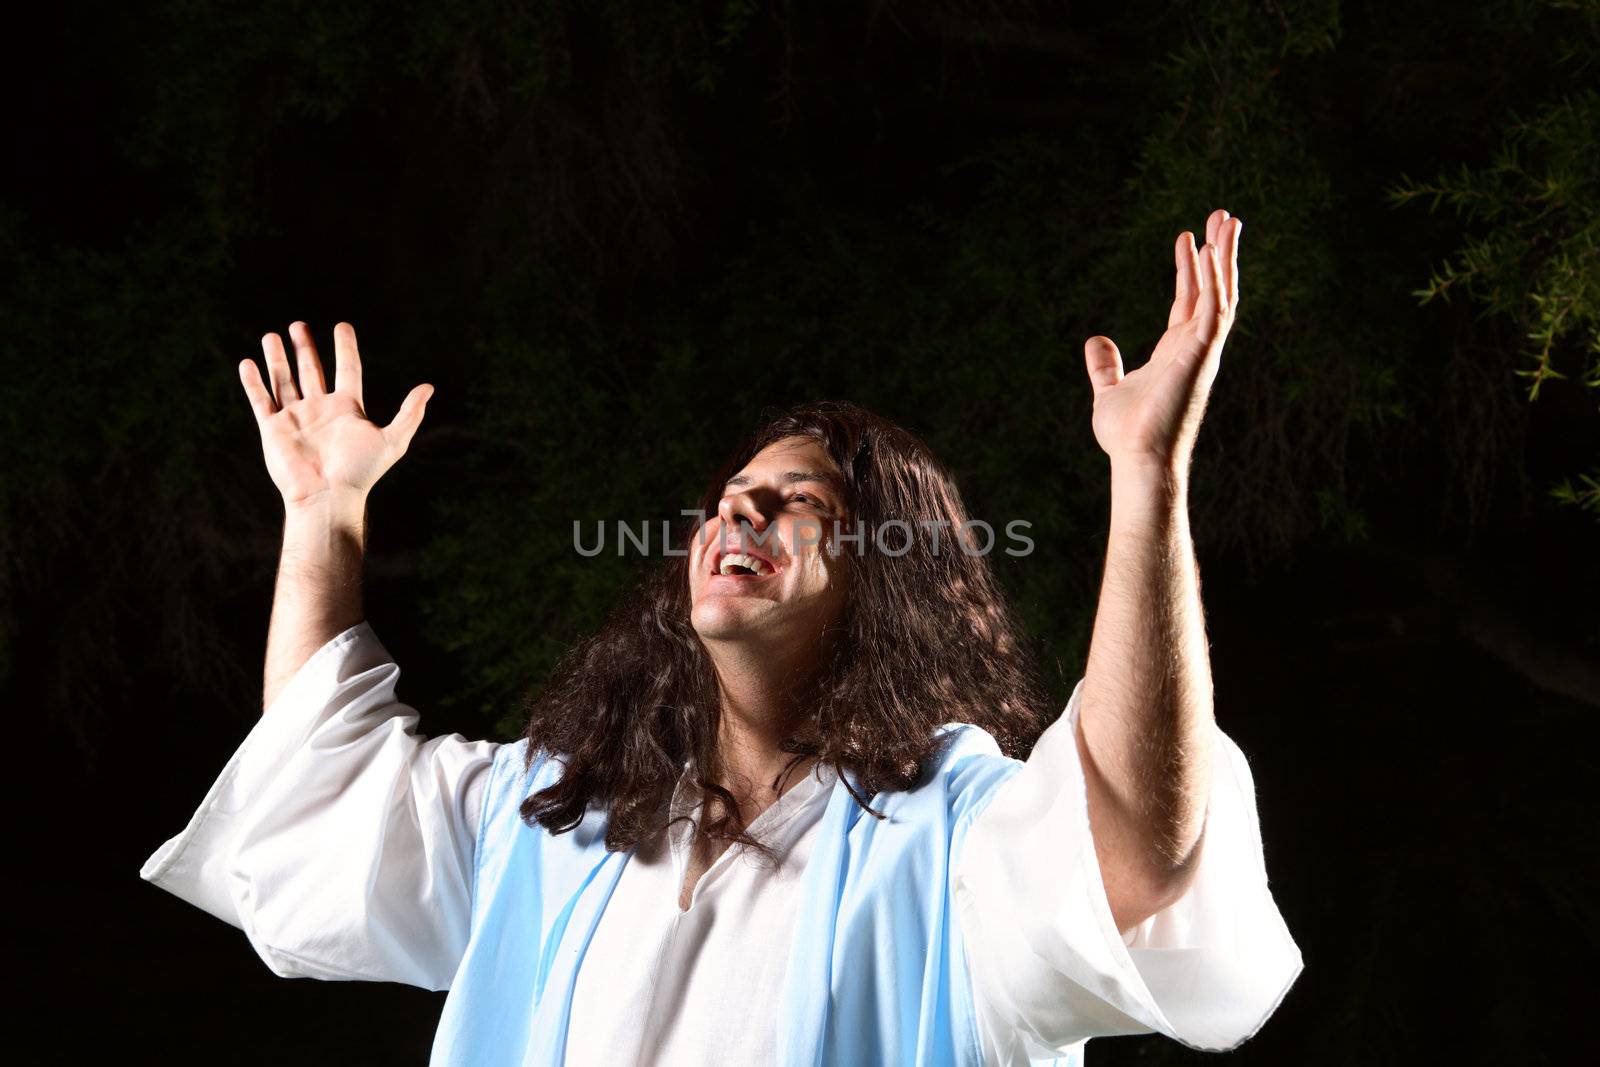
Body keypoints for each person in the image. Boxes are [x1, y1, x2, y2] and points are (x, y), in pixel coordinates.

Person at [141, 209, 1302, 1065]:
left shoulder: (946, 844)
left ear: (886, 578)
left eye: (799, 501)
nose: (737, 510)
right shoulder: (560, 817)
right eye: (732, 492)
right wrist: (322, 519)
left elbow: (1136, 850)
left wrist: (1146, 478)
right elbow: (318, 793)